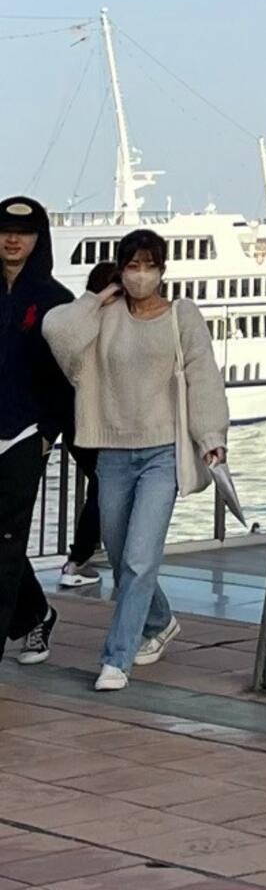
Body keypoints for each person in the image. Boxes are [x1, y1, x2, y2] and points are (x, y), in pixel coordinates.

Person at [46, 230, 229, 694]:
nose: (140, 274)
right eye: (132, 265)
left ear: (163, 269)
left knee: (141, 556)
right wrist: (98, 296)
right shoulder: (104, 316)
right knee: (123, 551)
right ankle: (162, 620)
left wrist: (210, 437)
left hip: (162, 451)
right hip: (112, 451)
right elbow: (57, 331)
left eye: (149, 265)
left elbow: (203, 374)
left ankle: (116, 659)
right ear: (121, 268)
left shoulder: (181, 316)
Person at [0, 198, 67, 665]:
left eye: (22, 232)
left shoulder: (54, 300)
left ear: (38, 239)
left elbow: (69, 375)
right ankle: (36, 614)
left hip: (24, 436)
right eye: (4, 230)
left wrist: (48, 433)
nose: (12, 239)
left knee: (6, 543)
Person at [52, 262, 119, 591]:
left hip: (72, 422)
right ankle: (79, 558)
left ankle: (80, 558)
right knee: (106, 487)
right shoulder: (97, 324)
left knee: (102, 486)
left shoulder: (81, 323)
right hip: (94, 422)